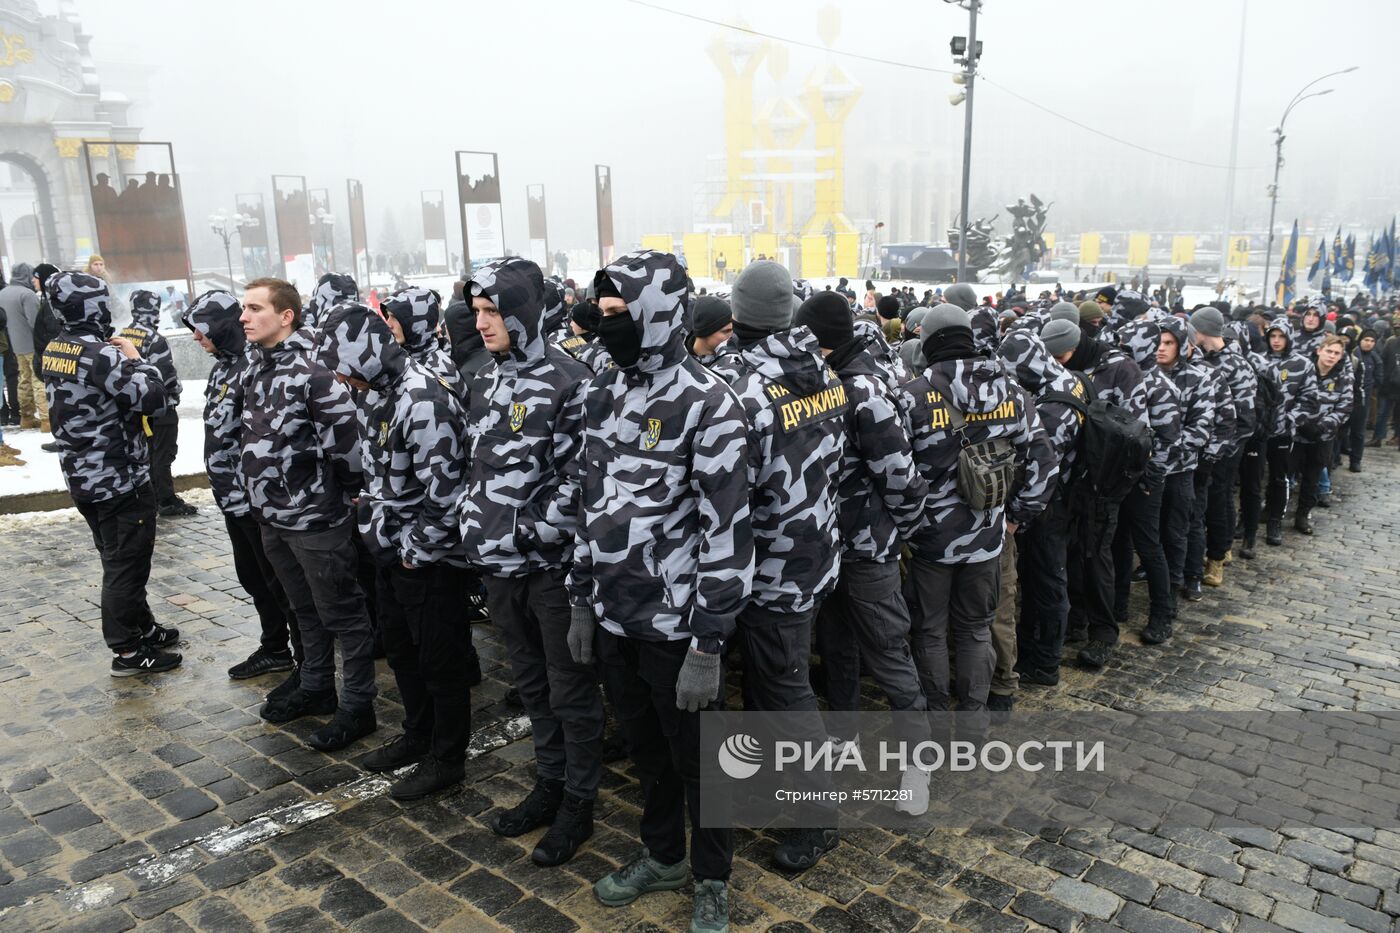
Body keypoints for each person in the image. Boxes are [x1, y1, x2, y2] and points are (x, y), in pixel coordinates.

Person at [567, 250, 752, 933]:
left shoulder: (709, 404)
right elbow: (589, 504)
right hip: (618, 619)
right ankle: (663, 854)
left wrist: (709, 640)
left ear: (658, 313)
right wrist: (583, 597)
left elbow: (727, 531)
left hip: (679, 628)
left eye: (619, 315)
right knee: (647, 753)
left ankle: (711, 876)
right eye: (603, 315)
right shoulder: (602, 391)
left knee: (704, 763)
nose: (604, 327)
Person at [457, 257, 604, 867]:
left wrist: (526, 532)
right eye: (477, 313)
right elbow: (479, 469)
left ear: (523, 312)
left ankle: (579, 802)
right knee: (532, 684)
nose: (483, 324)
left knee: (571, 690)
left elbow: (579, 482)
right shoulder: (482, 379)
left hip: (550, 569)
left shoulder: (570, 381)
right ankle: (548, 782)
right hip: (499, 565)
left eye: (493, 312)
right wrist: (476, 524)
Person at [714, 259, 845, 871]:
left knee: (786, 691)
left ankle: (820, 816)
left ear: (737, 314)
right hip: (812, 552)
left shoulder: (736, 387)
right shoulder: (819, 367)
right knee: (773, 687)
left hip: (768, 570)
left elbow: (724, 492)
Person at [318, 302, 475, 800]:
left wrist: (414, 549)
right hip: (390, 554)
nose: (342, 380)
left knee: (440, 662)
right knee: (405, 656)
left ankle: (447, 759)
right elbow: (384, 474)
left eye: (345, 368)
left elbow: (446, 491)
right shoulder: (375, 397)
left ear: (366, 357)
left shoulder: (423, 398)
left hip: (428, 563)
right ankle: (417, 736)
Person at [796, 290, 934, 804]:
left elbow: (900, 475)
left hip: (867, 546)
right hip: (829, 544)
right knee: (837, 648)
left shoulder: (863, 391)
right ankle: (845, 735)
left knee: (889, 652)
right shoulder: (833, 381)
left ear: (823, 345)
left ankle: (918, 767)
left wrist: (901, 531)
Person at [239, 277, 378, 751]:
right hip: (272, 517)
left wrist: (342, 501)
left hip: (316, 519)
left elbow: (347, 450)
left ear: (286, 316)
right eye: (244, 308)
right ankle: (317, 685)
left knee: (344, 615)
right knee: (303, 610)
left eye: (255, 308)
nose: (244, 317)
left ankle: (358, 707)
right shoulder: (257, 366)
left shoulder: (315, 371)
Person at [902, 305, 1056, 729]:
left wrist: (909, 523)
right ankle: (973, 723)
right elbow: (1045, 464)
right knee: (975, 630)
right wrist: (1014, 518)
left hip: (930, 539)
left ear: (929, 342)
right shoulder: (1013, 393)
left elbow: (896, 472)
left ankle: (934, 718)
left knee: (931, 631)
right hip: (988, 536)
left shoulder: (912, 396)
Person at [40, 271, 180, 675]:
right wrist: (140, 362)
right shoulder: (100, 354)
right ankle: (128, 651)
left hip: (83, 477)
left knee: (117, 558)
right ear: (94, 306)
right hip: (118, 480)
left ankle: (143, 628)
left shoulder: (57, 347)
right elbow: (153, 400)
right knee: (127, 564)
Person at [184, 290, 301, 684]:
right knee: (253, 578)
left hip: (258, 501)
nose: (198, 339)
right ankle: (274, 647)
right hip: (232, 499)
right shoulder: (223, 366)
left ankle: (304, 661)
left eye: (202, 331)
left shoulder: (254, 365)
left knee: (281, 583)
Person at [1057, 305, 1147, 668]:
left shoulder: (1120, 368)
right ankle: (1076, 618)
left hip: (1104, 482)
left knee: (1097, 557)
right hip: (1070, 479)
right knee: (1072, 553)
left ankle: (1104, 633)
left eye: (1062, 357)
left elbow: (1137, 432)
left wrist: (1113, 484)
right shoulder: (1066, 368)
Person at [1002, 322, 1084, 683]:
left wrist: (1018, 516)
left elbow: (1042, 470)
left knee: (1047, 582)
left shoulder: (1053, 408)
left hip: (1050, 505)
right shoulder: (1068, 379)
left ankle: (1045, 662)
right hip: (1066, 494)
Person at [1112, 317, 1182, 645]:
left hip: (1145, 480)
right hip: (1119, 477)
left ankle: (1162, 613)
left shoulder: (1160, 387)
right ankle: (1118, 604)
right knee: (1118, 542)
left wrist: (1150, 477)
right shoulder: (1124, 378)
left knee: (1149, 546)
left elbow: (1168, 440)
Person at [1189, 306, 1256, 589]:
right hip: (1200, 446)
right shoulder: (1198, 358)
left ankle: (1216, 558)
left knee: (1219, 499)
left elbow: (1245, 417)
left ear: (1202, 330)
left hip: (1226, 447)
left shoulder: (1237, 366)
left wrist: (1220, 450)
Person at [1153, 316, 1214, 622]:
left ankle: (1174, 589)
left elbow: (1201, 431)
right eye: (1158, 342)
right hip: (1148, 474)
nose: (1161, 349)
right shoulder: (1142, 377)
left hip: (1179, 472)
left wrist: (1162, 448)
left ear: (1183, 346)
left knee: (1176, 534)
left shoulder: (1198, 379)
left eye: (1168, 343)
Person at [121, 289, 195, 517]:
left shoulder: (123, 335)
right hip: (161, 408)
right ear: (154, 310)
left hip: (137, 406)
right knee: (163, 454)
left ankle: (149, 496)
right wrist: (176, 392)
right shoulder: (155, 339)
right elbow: (167, 376)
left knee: (146, 453)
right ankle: (165, 499)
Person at [1253, 321, 1313, 546]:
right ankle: (1247, 518)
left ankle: (1275, 519)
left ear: (1289, 338)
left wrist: (1290, 420)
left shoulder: (1302, 364)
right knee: (1253, 478)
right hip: (1258, 432)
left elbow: (1308, 398)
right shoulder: (1258, 359)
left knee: (1279, 478)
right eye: (1272, 336)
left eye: (1281, 336)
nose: (1276, 340)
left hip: (1283, 432)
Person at [1293, 334, 1353, 534]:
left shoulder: (1343, 378)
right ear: (1319, 350)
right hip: (1297, 434)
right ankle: (1273, 512)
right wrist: (1302, 422)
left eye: (1336, 353)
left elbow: (1344, 408)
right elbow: (1291, 398)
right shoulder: (1303, 371)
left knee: (1311, 479)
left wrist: (1322, 426)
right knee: (1283, 475)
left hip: (1323, 437)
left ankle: (1302, 515)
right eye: (1328, 351)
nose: (1331, 356)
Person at [0, 263, 48, 431]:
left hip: (14, 345)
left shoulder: (3, 293)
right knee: (38, 380)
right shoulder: (27, 294)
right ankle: (46, 420)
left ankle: (26, 417)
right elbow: (34, 322)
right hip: (32, 343)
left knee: (24, 379)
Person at [1349, 330, 1380, 471]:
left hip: (1363, 401)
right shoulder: (1353, 354)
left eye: (1372, 341)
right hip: (1347, 399)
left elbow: (1379, 377)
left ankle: (1356, 460)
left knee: (1358, 432)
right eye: (1366, 340)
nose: (1369, 343)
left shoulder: (1375, 358)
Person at [685, 295, 734, 367]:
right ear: (705, 332)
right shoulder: (680, 363)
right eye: (726, 331)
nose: (732, 336)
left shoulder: (736, 356)